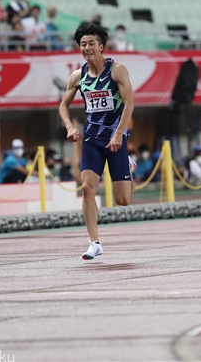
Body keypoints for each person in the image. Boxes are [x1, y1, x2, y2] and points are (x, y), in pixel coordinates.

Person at [58, 21, 135, 260]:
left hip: (116, 139)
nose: (87, 47)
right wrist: (70, 126)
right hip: (91, 140)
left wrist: (119, 133)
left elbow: (130, 104)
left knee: (122, 200)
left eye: (91, 43)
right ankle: (94, 242)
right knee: (87, 188)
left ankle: (129, 166)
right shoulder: (78, 76)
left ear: (101, 46)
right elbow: (63, 105)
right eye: (83, 44)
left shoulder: (117, 70)